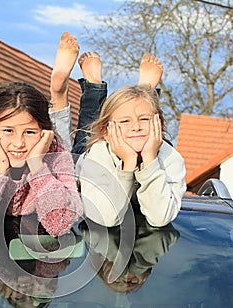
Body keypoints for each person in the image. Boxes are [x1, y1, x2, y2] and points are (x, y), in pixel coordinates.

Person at [0, 31, 83, 239]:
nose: (19, 143)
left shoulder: (56, 152)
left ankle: (58, 93)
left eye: (30, 132)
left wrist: (37, 165)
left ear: (44, 133)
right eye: (8, 131)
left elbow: (59, 225)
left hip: (45, 263)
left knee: (62, 145)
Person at [73, 51, 186, 227]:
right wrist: (128, 162)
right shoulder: (97, 154)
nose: (136, 126)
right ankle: (93, 87)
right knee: (86, 135)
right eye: (126, 121)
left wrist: (149, 160)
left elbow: (160, 218)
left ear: (159, 124)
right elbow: (107, 218)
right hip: (89, 157)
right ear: (106, 132)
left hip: (129, 147)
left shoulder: (171, 158)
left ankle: (144, 92)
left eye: (145, 119)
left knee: (138, 106)